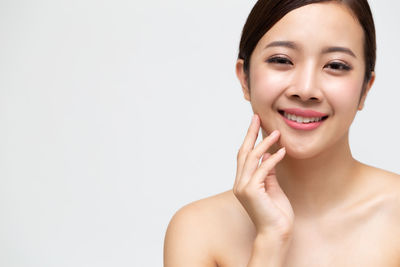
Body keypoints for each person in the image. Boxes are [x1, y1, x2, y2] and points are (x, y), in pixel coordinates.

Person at [164, 0, 400, 266]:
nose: (306, 88)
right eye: (281, 60)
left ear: (365, 89)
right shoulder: (198, 231)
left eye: (335, 65)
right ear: (245, 78)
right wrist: (270, 241)